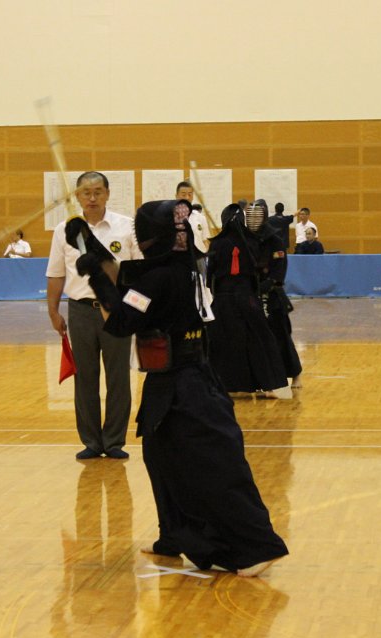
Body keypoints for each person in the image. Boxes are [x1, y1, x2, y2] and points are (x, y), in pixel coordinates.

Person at [69, 198, 288, 576]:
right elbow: (128, 278)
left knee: (214, 465)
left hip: (188, 388)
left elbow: (120, 321)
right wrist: (92, 247)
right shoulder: (178, 267)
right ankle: (173, 536)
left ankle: (257, 547)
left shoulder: (162, 277)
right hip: (172, 381)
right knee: (160, 457)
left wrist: (96, 278)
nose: (181, 234)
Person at [46, 171, 141, 460]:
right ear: (77, 197)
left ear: (108, 194)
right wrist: (53, 311)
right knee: (85, 377)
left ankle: (114, 441)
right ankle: (91, 441)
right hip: (80, 311)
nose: (92, 198)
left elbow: (139, 272)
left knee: (118, 377)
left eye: (98, 192)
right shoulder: (65, 231)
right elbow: (56, 274)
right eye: (86, 193)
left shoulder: (126, 227)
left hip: (116, 311)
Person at [206, 204, 289, 396]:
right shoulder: (252, 242)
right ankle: (266, 384)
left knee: (223, 341)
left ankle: (226, 384)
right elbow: (258, 271)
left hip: (224, 299)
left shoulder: (217, 244)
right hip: (248, 298)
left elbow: (211, 275)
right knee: (257, 339)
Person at [254, 200, 302, 390]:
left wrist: (271, 281)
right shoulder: (249, 240)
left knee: (281, 337)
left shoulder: (275, 240)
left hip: (273, 297)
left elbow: (280, 267)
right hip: (255, 296)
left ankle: (296, 375)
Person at [176, 181, 210, 253]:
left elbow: (206, 241)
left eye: (190, 194)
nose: (187, 197)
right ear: (177, 196)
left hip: (199, 256)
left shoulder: (201, 217)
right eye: (183, 195)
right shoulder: (170, 217)